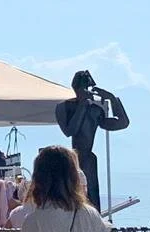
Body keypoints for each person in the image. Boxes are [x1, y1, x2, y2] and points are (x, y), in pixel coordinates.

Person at [53, 70, 129, 211]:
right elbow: (70, 131)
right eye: (82, 88)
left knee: (93, 200)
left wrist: (112, 99)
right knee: (75, 198)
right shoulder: (63, 107)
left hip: (88, 158)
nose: (85, 91)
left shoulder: (94, 110)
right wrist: (82, 105)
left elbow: (122, 123)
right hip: (74, 158)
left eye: (86, 88)